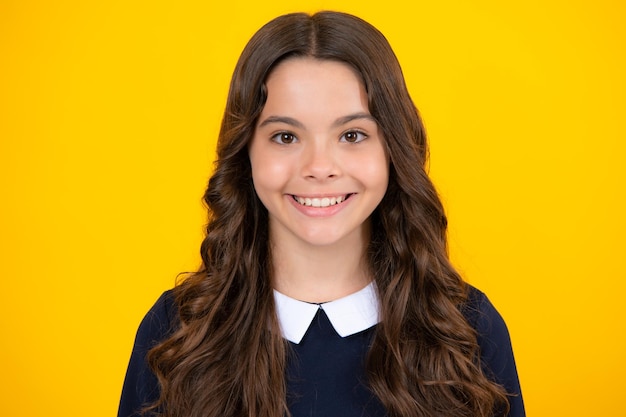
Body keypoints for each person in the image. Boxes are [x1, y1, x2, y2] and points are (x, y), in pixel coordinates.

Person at [118, 10, 525, 417]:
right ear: (246, 154)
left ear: (392, 151)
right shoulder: (175, 334)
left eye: (352, 135)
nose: (319, 166)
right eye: (285, 136)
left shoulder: (468, 333)